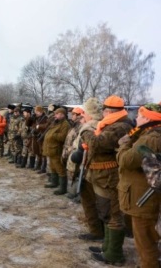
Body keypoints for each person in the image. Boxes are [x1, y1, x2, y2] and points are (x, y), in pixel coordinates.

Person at [80, 95, 134, 265]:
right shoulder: (113, 124)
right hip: (103, 176)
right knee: (106, 213)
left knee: (113, 214)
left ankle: (114, 254)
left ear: (108, 111)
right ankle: (107, 247)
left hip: (111, 177)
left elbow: (98, 144)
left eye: (103, 110)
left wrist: (86, 131)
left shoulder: (121, 126)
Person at [117, 102, 161, 268]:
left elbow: (126, 161)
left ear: (150, 119)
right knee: (145, 242)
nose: (136, 117)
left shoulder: (151, 138)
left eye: (141, 115)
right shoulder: (148, 134)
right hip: (143, 197)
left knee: (146, 244)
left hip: (145, 201)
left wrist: (124, 144)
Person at [71, 98, 105, 242]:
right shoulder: (102, 124)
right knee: (97, 203)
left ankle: (96, 232)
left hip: (88, 169)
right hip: (95, 170)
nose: (82, 115)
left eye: (85, 112)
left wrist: (77, 154)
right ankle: (98, 231)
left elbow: (88, 150)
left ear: (90, 113)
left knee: (90, 202)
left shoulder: (89, 127)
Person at [42, 107, 70, 194]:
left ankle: (63, 188)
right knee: (52, 167)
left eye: (58, 114)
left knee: (60, 168)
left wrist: (53, 135)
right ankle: (54, 182)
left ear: (63, 115)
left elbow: (63, 137)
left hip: (56, 149)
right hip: (50, 149)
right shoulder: (55, 122)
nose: (56, 115)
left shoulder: (65, 124)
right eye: (56, 114)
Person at [63, 107, 84, 199]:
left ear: (78, 115)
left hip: (75, 153)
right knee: (71, 173)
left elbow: (78, 142)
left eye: (73, 114)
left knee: (77, 173)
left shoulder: (80, 126)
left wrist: (70, 150)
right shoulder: (73, 125)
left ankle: (77, 194)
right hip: (70, 152)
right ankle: (73, 192)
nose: (71, 116)